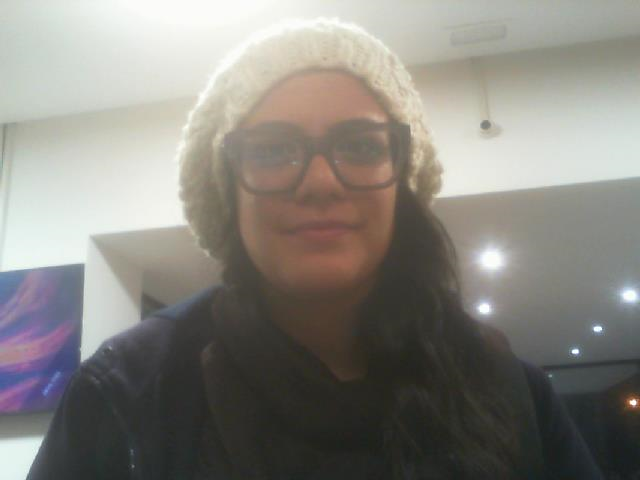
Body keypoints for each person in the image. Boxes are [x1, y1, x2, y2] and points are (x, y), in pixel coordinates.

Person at [28, 18, 603, 480]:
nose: (321, 182)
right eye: (273, 150)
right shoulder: (125, 393)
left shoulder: (509, 392)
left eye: (360, 145)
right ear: (227, 192)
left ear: (402, 181)